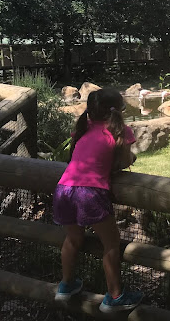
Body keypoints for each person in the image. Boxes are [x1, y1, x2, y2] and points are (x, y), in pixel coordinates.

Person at [53, 88, 143, 313]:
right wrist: (131, 157)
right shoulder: (120, 131)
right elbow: (124, 161)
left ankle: (66, 285)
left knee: (73, 238)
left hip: (64, 189)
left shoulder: (84, 128)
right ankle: (115, 296)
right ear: (119, 110)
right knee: (111, 244)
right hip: (90, 193)